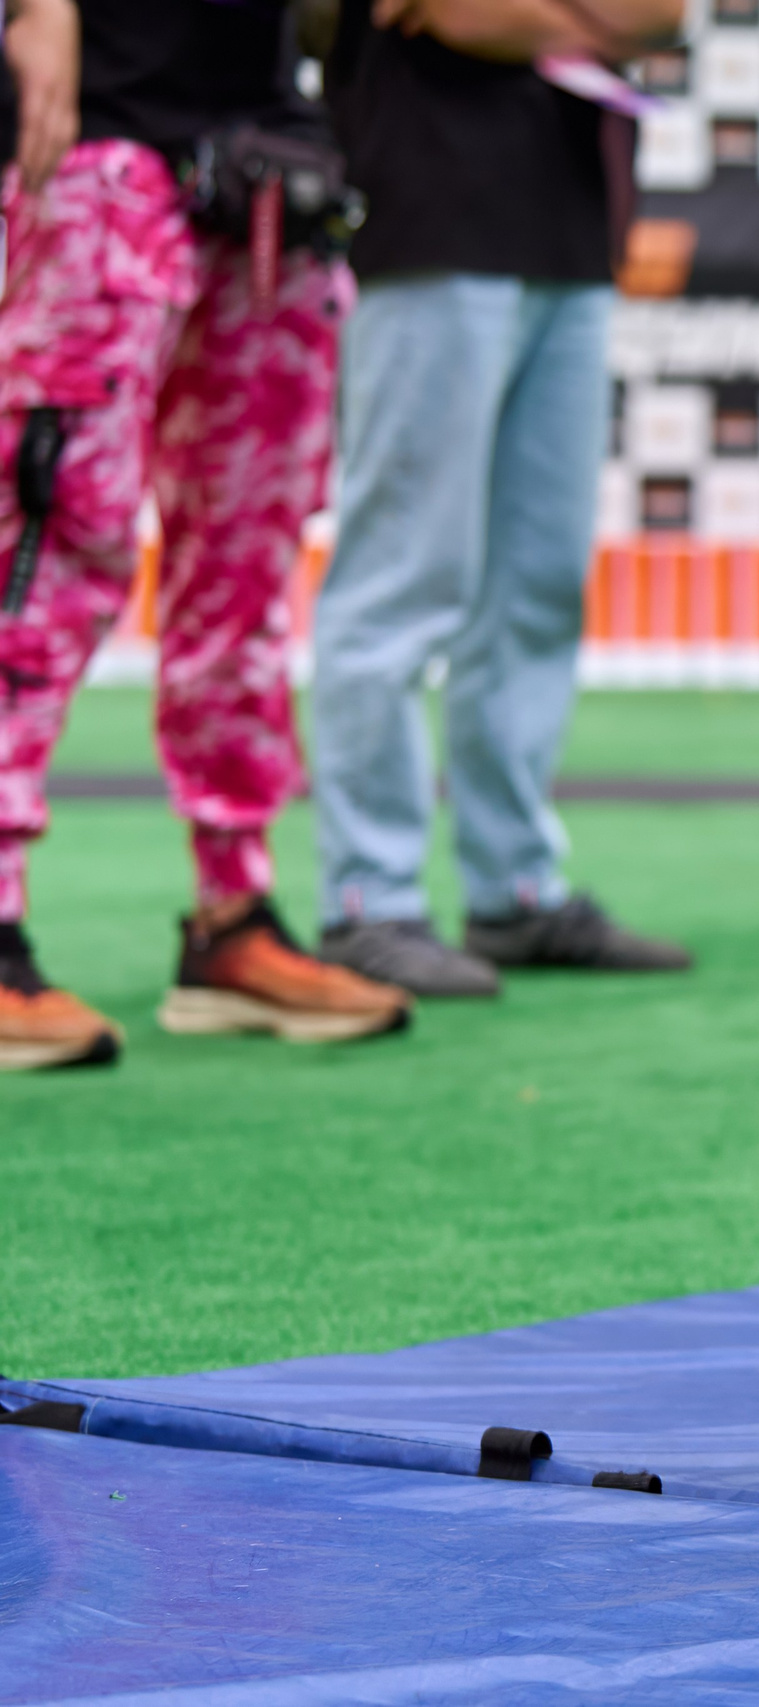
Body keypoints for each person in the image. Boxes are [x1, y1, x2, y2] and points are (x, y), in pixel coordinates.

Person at [0, 0, 414, 1069]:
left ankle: (232, 917)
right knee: (51, 544)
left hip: (267, 159)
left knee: (243, 569)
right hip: (104, 141)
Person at [311, 0, 691, 997]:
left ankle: (514, 888)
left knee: (535, 585)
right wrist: (588, 19)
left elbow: (663, 14)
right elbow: (462, 13)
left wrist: (562, 20)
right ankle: (369, 896)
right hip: (426, 221)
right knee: (403, 574)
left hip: (570, 233)